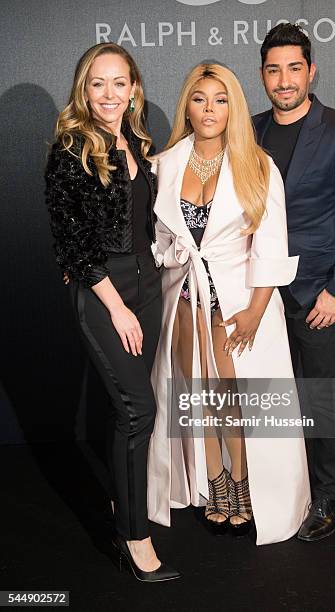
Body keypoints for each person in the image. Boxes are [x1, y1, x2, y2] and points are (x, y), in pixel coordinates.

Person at [147, 63, 310, 546]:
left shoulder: (257, 164)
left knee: (232, 403)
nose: (209, 109)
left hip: (238, 304)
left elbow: (271, 245)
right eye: (200, 99)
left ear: (233, 106)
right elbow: (159, 238)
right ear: (187, 106)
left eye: (220, 99)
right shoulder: (168, 163)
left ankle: (241, 483)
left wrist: (257, 311)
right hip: (183, 301)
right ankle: (215, 483)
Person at [44, 42, 179, 581]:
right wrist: (118, 309)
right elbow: (74, 243)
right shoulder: (71, 148)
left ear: (133, 88)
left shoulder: (136, 142)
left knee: (126, 413)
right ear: (84, 89)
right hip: (106, 295)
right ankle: (134, 538)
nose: (108, 94)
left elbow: (147, 224)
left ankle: (125, 507)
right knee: (138, 411)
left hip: (147, 288)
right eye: (97, 83)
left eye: (118, 82)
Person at [254, 23, 335, 541]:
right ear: (263, 74)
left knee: (322, 400)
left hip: (317, 294)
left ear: (311, 70)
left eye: (294, 68)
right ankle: (272, 491)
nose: (284, 80)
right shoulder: (250, 129)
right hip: (259, 295)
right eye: (273, 69)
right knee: (267, 400)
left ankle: (328, 498)